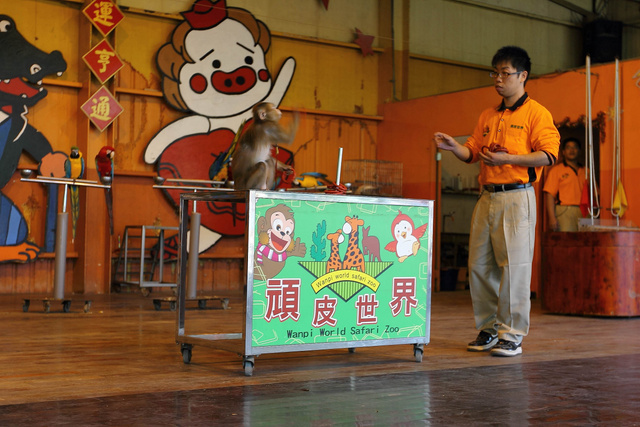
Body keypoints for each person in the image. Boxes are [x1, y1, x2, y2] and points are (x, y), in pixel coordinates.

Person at [433, 46, 560, 357]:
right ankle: (489, 328)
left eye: (505, 73)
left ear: (523, 76)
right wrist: (455, 148)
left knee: (514, 268)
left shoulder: (537, 113)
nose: (499, 79)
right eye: (495, 73)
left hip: (517, 198)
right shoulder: (488, 115)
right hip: (487, 197)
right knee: (478, 266)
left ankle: (512, 333)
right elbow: (472, 152)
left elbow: (547, 155)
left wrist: (511, 157)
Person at [543, 137, 586, 232]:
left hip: (584, 211)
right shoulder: (556, 171)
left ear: (579, 151)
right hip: (564, 211)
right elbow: (549, 195)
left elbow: (595, 194)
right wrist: (552, 218)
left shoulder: (586, 171)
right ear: (563, 152)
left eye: (574, 147)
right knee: (566, 243)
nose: (571, 150)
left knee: (585, 242)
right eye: (568, 147)